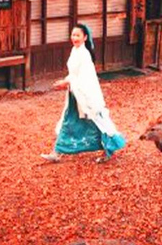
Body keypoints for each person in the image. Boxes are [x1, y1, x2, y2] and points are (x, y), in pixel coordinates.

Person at [40, 23, 126, 163]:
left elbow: (84, 78)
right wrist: (66, 80)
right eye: (73, 35)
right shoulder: (75, 50)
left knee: (96, 121)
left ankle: (108, 148)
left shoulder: (85, 55)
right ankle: (57, 152)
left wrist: (67, 82)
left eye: (78, 35)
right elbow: (74, 74)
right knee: (68, 122)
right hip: (76, 94)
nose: (74, 38)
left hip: (86, 95)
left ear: (85, 37)